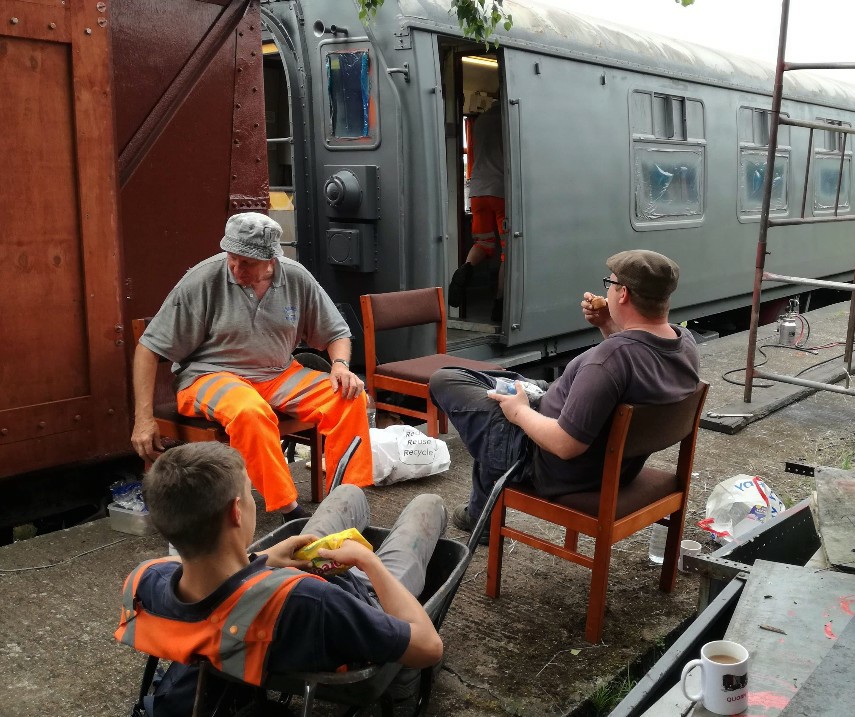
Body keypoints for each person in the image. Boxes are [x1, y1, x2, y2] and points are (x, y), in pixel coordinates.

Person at [115, 441, 446, 716]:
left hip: (271, 606)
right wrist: (369, 563)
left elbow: (210, 587)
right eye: (249, 493)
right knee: (428, 505)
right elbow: (429, 648)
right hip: (356, 605)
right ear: (236, 511)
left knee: (348, 493)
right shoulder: (312, 601)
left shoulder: (146, 580)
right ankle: (403, 680)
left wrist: (266, 558)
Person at [430, 250, 701, 540]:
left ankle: (481, 518)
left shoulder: (608, 360)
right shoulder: (684, 344)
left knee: (447, 381)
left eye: (610, 284)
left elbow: (565, 444)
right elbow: (633, 370)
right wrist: (608, 325)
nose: (607, 291)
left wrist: (519, 412)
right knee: (498, 387)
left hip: (550, 463)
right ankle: (481, 514)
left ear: (623, 294)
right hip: (617, 466)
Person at [131, 212, 373, 521]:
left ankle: (346, 502)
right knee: (250, 411)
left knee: (349, 397)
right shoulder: (203, 279)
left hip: (278, 373)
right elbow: (148, 348)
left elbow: (336, 332)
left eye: (246, 262)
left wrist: (339, 365)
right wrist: (143, 419)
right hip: (210, 375)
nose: (235, 268)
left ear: (271, 259)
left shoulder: (295, 277)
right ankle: (291, 513)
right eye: (232, 258)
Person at [448, 99, 507, 322]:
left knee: (484, 243)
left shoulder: (480, 121)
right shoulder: (508, 117)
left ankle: (465, 269)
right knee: (508, 252)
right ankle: (499, 305)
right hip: (500, 191)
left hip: (477, 191)